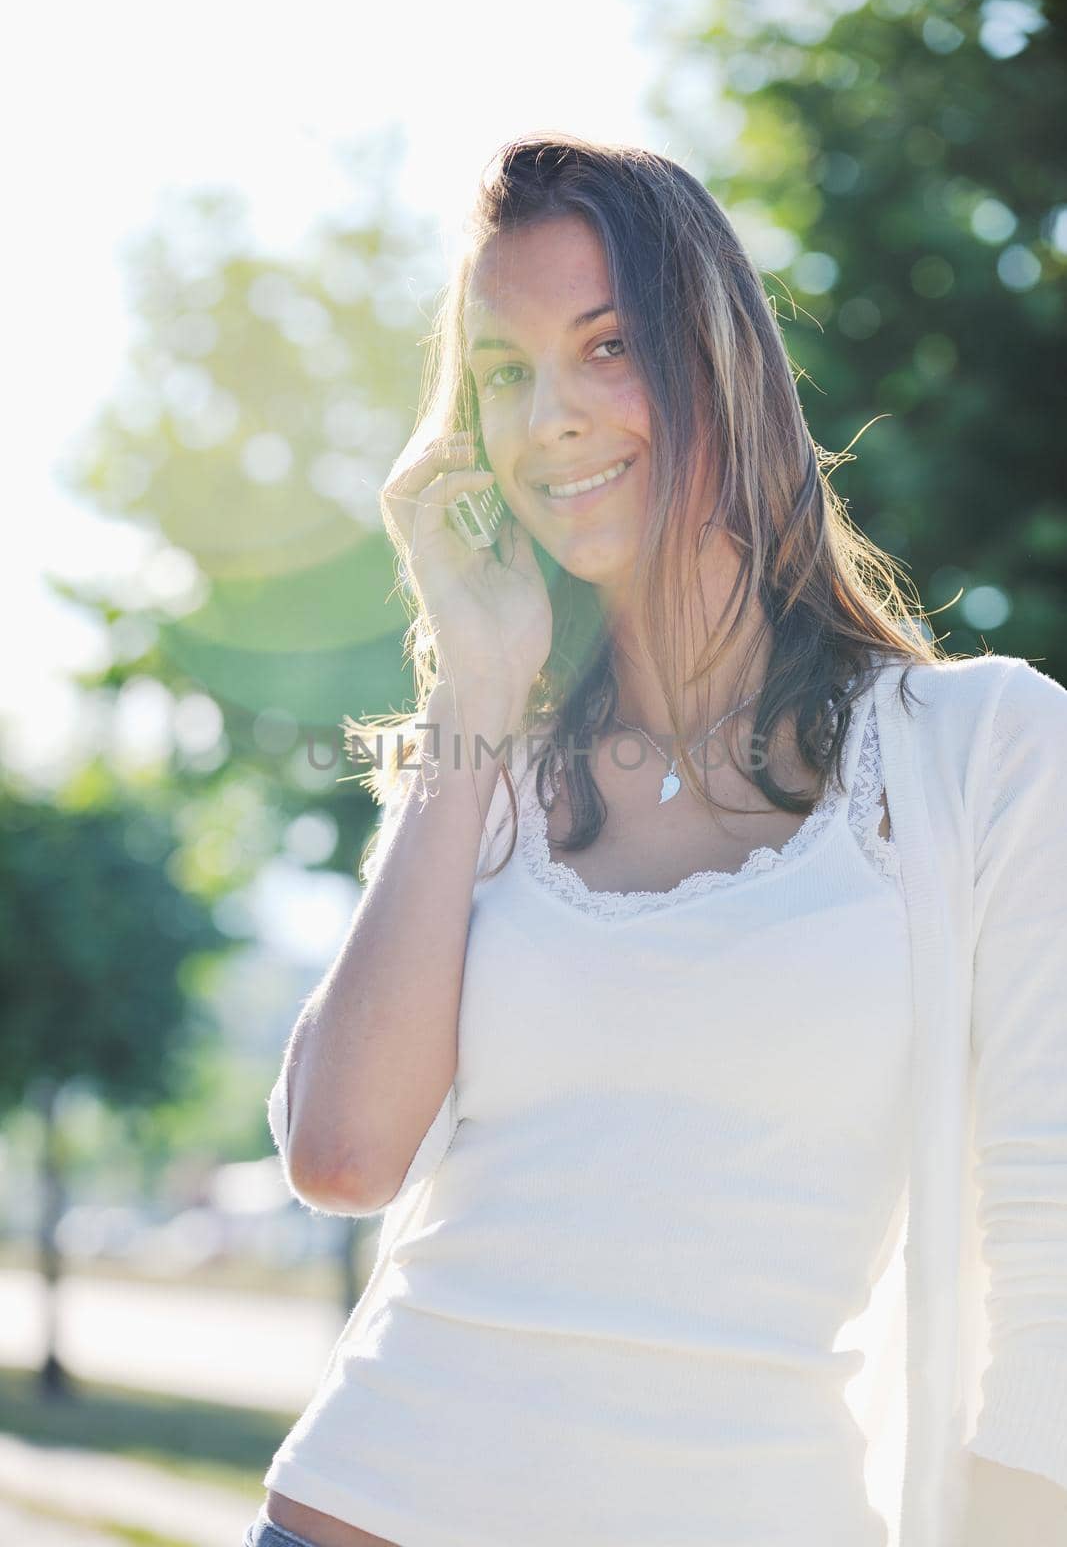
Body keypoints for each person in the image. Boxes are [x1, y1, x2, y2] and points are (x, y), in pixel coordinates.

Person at [244, 135, 1067, 1547]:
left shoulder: (979, 754)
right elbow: (344, 1156)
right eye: (505, 372)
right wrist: (478, 690)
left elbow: (1050, 1228)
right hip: (369, 1506)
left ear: (721, 361)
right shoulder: (486, 764)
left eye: (606, 344)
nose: (549, 415)